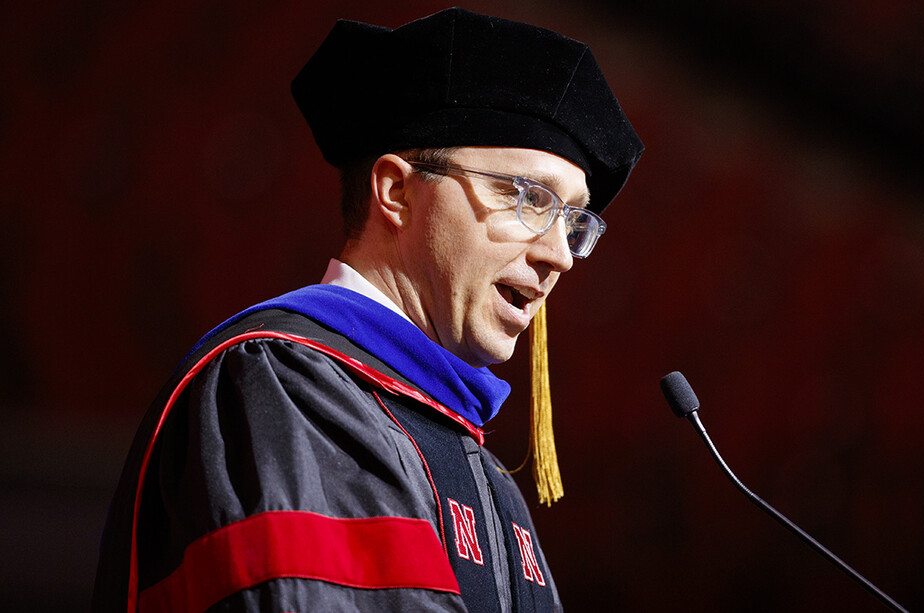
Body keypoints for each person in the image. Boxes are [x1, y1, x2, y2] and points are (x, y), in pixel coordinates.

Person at [91, 7, 642, 612]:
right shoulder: (287, 386)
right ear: (397, 192)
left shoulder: (485, 475)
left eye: (574, 221)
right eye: (530, 199)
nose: (560, 255)